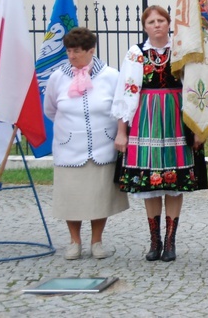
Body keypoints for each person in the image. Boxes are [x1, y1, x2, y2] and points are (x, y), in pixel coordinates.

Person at [112, 5, 208, 262]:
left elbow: (196, 86)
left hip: (176, 118)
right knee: (150, 182)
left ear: (168, 24)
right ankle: (155, 240)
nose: (156, 25)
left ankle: (170, 241)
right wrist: (122, 131)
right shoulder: (136, 53)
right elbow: (126, 92)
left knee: (174, 183)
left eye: (161, 20)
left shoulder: (181, 51)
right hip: (146, 119)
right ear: (145, 27)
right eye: (151, 21)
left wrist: (199, 128)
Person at [44, 27, 128, 260]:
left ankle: (96, 241)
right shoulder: (57, 77)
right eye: (69, 51)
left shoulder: (111, 75)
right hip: (69, 147)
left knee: (98, 197)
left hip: (102, 145)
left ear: (91, 50)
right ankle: (74, 241)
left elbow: (121, 106)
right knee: (72, 198)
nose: (72, 56)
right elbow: (50, 109)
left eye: (77, 51)